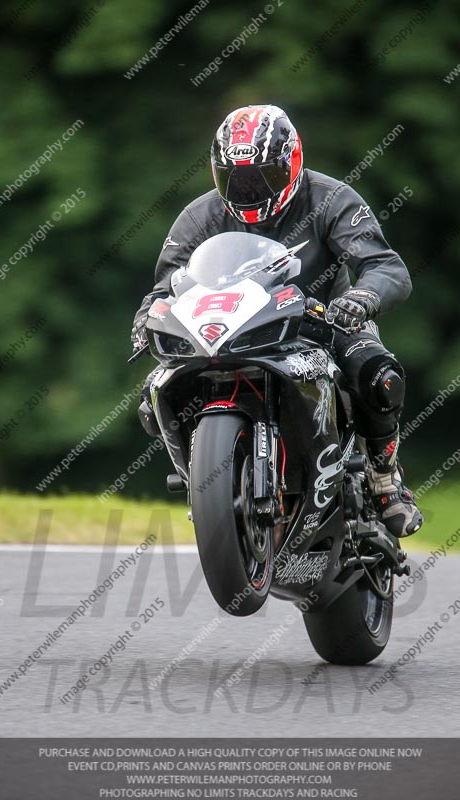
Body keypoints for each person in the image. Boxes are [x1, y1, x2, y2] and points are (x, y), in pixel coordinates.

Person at [131, 104, 423, 538]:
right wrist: (145, 317)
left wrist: (362, 298)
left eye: (261, 177)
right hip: (230, 331)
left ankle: (384, 476)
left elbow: (387, 267)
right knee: (156, 391)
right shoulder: (199, 216)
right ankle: (204, 480)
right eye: (237, 179)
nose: (248, 190)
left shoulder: (331, 199)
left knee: (377, 373)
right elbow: (164, 287)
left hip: (324, 322)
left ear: (292, 162)